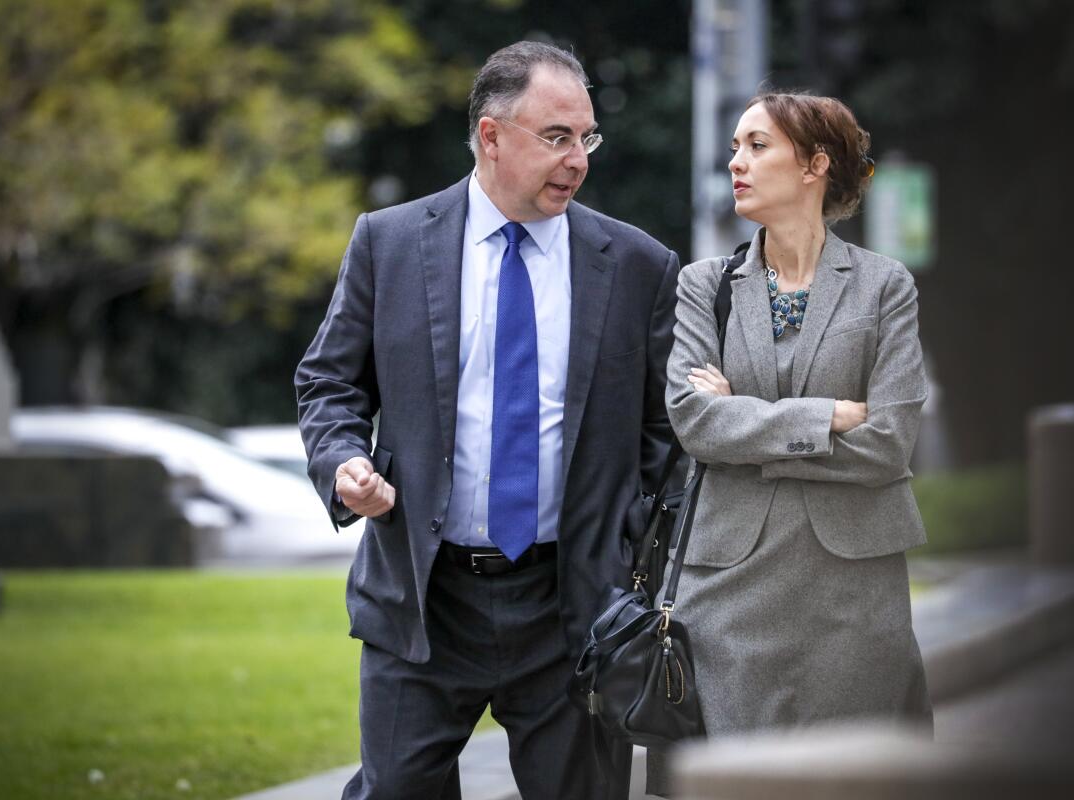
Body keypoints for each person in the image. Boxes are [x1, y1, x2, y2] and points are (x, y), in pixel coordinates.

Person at [295, 41, 680, 800]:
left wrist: (627, 547)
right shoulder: (390, 242)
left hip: (572, 607)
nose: (579, 159)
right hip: (423, 601)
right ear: (491, 136)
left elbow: (662, 433)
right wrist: (344, 465)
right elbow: (329, 382)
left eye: (587, 137)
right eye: (557, 136)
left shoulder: (638, 265)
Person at [655, 88, 932, 792]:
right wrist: (826, 416)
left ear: (814, 165)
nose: (736, 163)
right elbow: (693, 421)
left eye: (757, 145)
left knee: (856, 780)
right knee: (738, 783)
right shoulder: (703, 287)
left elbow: (891, 442)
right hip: (729, 593)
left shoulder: (884, 287)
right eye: (734, 147)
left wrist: (745, 427)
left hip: (853, 591)